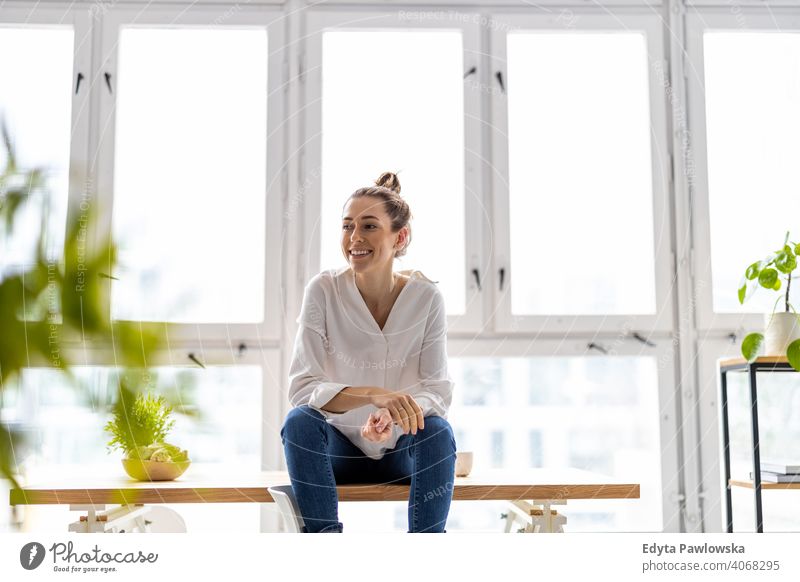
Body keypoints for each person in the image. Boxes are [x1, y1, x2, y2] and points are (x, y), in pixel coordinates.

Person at [280, 171, 457, 533]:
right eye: (347, 226)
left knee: (438, 430)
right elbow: (302, 388)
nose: (354, 238)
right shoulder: (324, 290)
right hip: (337, 452)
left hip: (401, 454)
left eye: (369, 226)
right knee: (299, 422)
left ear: (400, 237)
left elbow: (436, 390)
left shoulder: (426, 298)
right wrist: (374, 397)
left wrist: (394, 415)